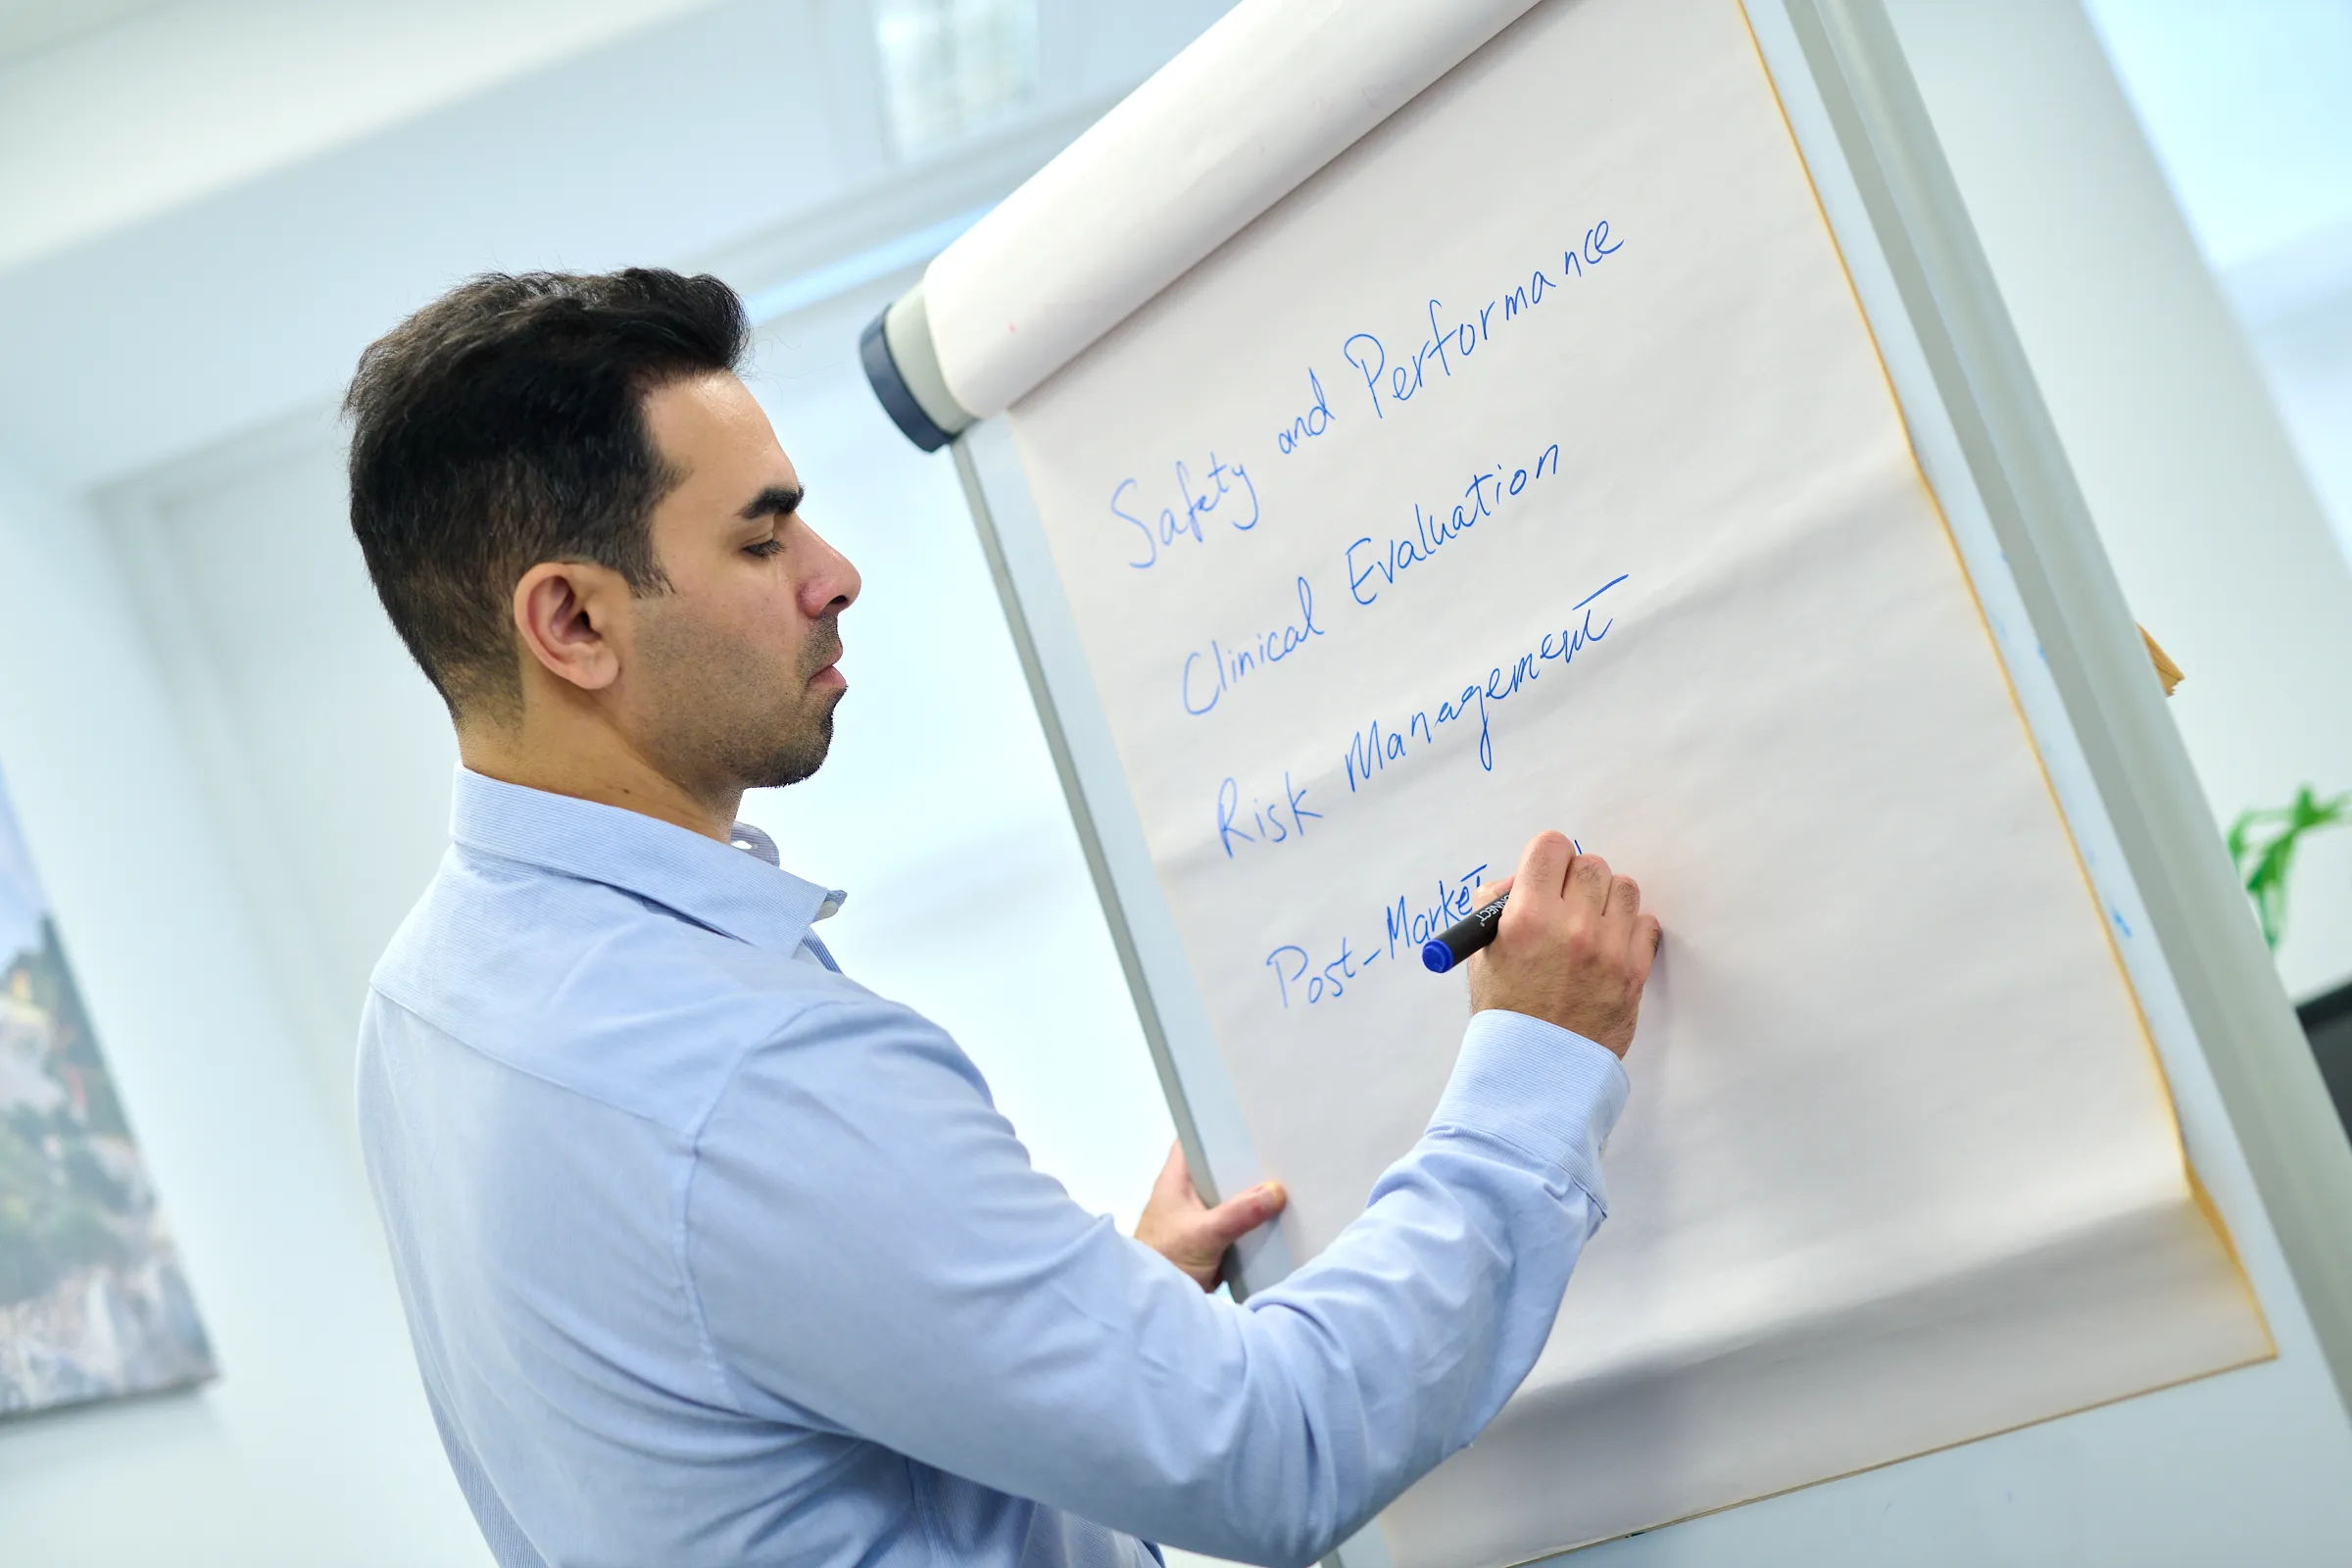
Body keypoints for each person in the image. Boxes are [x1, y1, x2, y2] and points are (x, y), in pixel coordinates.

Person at [345, 269, 1661, 1568]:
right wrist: (1539, 1065)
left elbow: (719, 1390)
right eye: (761, 540)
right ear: (573, 621)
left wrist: (1083, 1335)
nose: (836, 575)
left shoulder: (426, 1002)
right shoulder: (750, 1076)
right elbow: (1277, 1452)